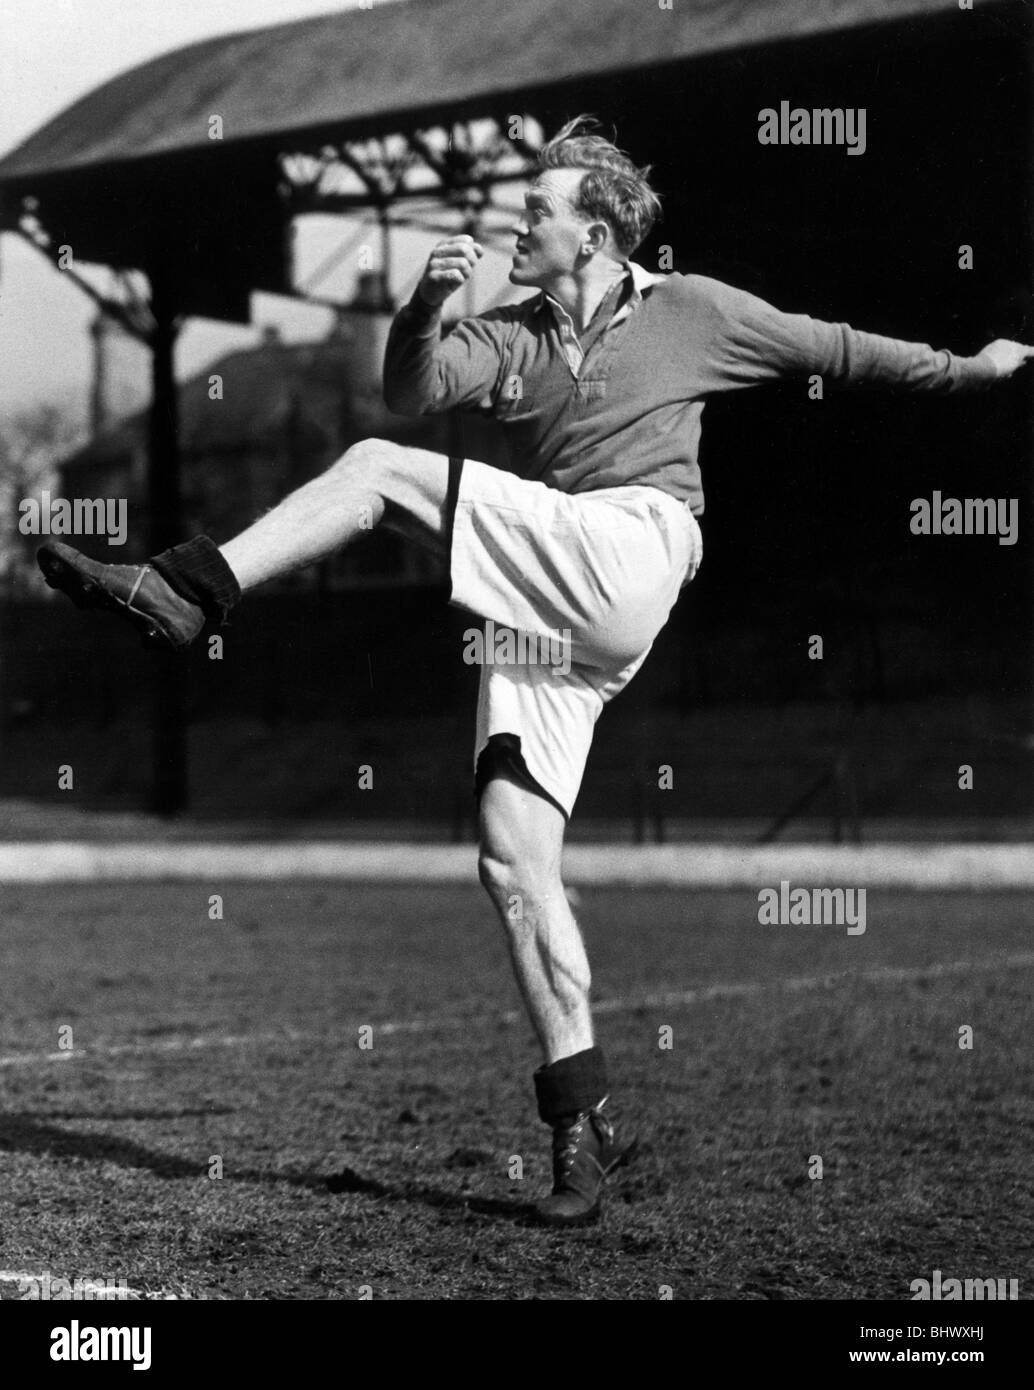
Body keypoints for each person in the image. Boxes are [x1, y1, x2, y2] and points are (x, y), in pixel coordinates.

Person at [37, 117, 1034, 1228]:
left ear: (595, 233)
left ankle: (186, 589)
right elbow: (412, 388)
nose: (518, 221)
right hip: (548, 604)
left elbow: (836, 348)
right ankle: (584, 1125)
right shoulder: (508, 337)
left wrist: (970, 372)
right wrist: (422, 308)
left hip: (634, 545)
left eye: (537, 210)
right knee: (510, 865)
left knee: (372, 472)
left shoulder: (692, 310)